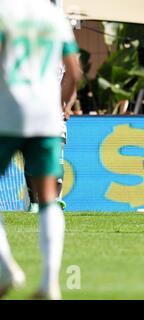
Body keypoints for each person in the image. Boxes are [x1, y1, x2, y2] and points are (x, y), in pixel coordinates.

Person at [0, 0, 81, 299]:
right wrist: (61, 105)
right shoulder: (53, 15)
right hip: (46, 116)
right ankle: (50, 282)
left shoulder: (4, 12)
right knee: (49, 198)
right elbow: (74, 72)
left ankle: (6, 268)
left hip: (8, 113)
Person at [25, 65, 77, 213]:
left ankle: (54, 200)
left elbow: (72, 83)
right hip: (32, 113)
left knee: (57, 156)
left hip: (56, 116)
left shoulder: (62, 53)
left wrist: (68, 106)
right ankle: (34, 202)